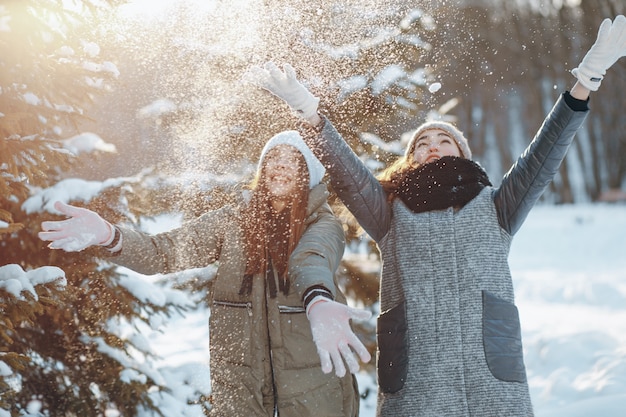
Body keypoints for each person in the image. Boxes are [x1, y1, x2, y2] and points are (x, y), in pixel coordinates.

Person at [248, 15, 626, 417]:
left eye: (444, 140)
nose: (433, 146)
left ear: (462, 153)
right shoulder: (389, 212)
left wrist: (587, 77)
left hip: (491, 376)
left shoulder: (497, 205)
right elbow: (347, 172)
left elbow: (544, 154)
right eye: (422, 143)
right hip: (416, 380)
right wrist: (309, 112)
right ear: (411, 160)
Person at [38, 131, 372, 417]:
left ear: (308, 174)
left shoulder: (323, 224)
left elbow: (310, 260)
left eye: (292, 160)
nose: (281, 165)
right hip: (241, 387)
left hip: (312, 386)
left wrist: (317, 302)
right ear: (262, 170)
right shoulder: (234, 221)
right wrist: (111, 236)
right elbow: (165, 251)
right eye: (273, 158)